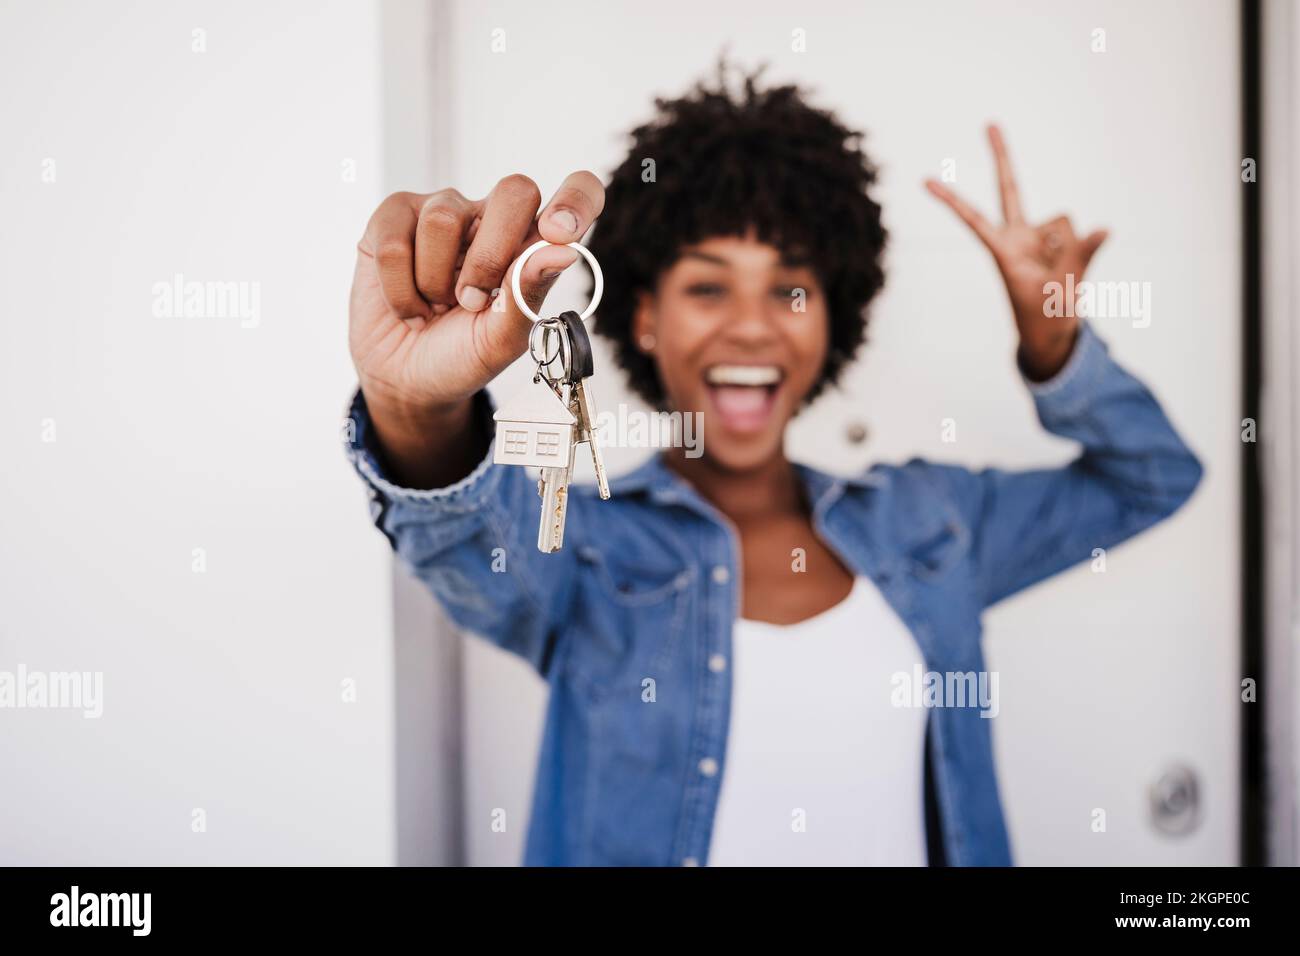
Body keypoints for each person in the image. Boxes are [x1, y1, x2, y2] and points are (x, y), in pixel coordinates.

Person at [343, 70, 1202, 866]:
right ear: (643, 320)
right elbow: (460, 526)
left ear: (834, 317)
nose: (753, 326)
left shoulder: (933, 519)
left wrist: (1055, 344)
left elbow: (1153, 477)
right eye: (708, 287)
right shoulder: (587, 550)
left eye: (790, 289)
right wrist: (414, 401)